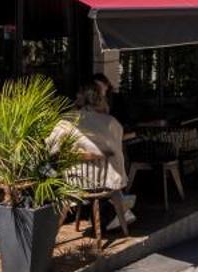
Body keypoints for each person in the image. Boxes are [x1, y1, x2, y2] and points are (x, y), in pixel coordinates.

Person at [50, 78, 136, 233]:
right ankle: (119, 215)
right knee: (114, 168)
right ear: (100, 99)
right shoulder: (111, 122)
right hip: (105, 182)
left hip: (74, 181)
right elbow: (116, 149)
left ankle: (111, 214)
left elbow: (51, 146)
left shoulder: (66, 120)